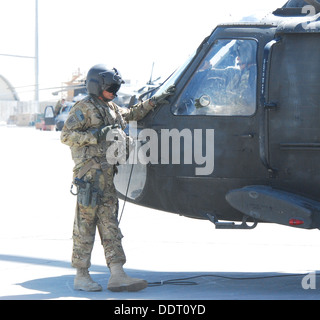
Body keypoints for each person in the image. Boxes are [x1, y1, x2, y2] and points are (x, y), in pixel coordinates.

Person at [61, 64, 175, 292]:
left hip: (107, 176)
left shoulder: (111, 107)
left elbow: (130, 114)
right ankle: (81, 276)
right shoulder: (83, 108)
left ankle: (117, 274)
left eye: (116, 87)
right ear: (97, 86)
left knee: (110, 225)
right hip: (90, 178)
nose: (114, 91)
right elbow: (66, 136)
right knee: (85, 226)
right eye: (111, 87)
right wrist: (96, 135)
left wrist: (153, 101)